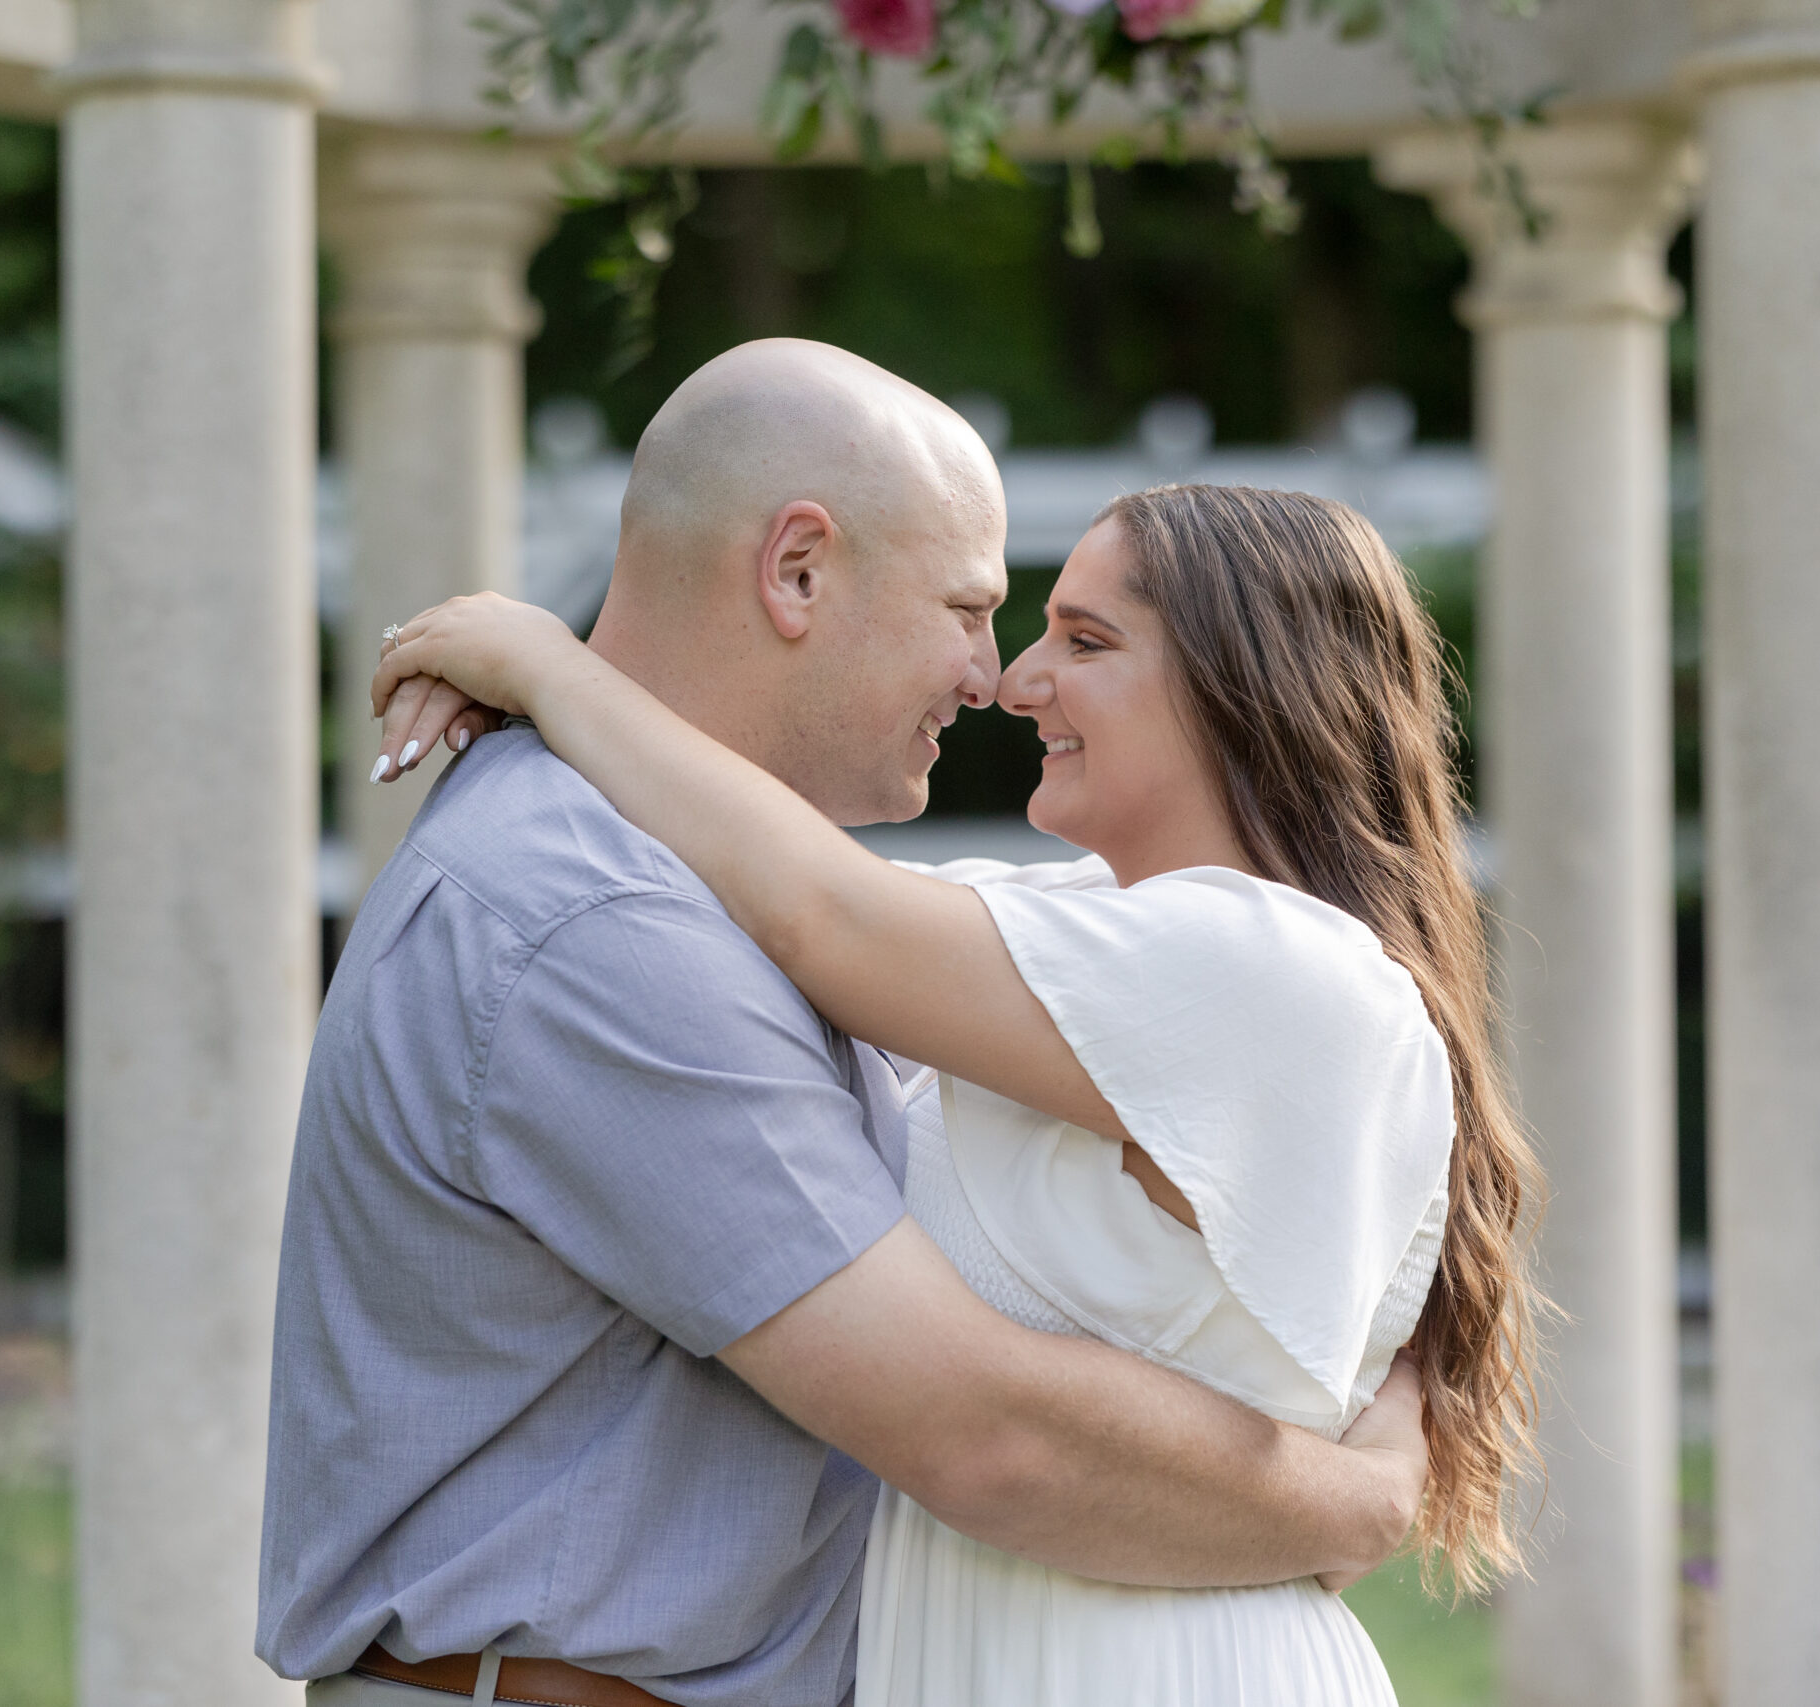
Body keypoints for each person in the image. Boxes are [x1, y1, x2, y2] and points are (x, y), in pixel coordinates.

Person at [257, 340, 1436, 1707]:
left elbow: (842, 920)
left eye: (1076, 637)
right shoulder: (600, 917)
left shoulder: (793, 911)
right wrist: (1354, 1504)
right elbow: (978, 1433)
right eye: (970, 607)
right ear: (798, 570)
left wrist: (550, 672)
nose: (997, 677)